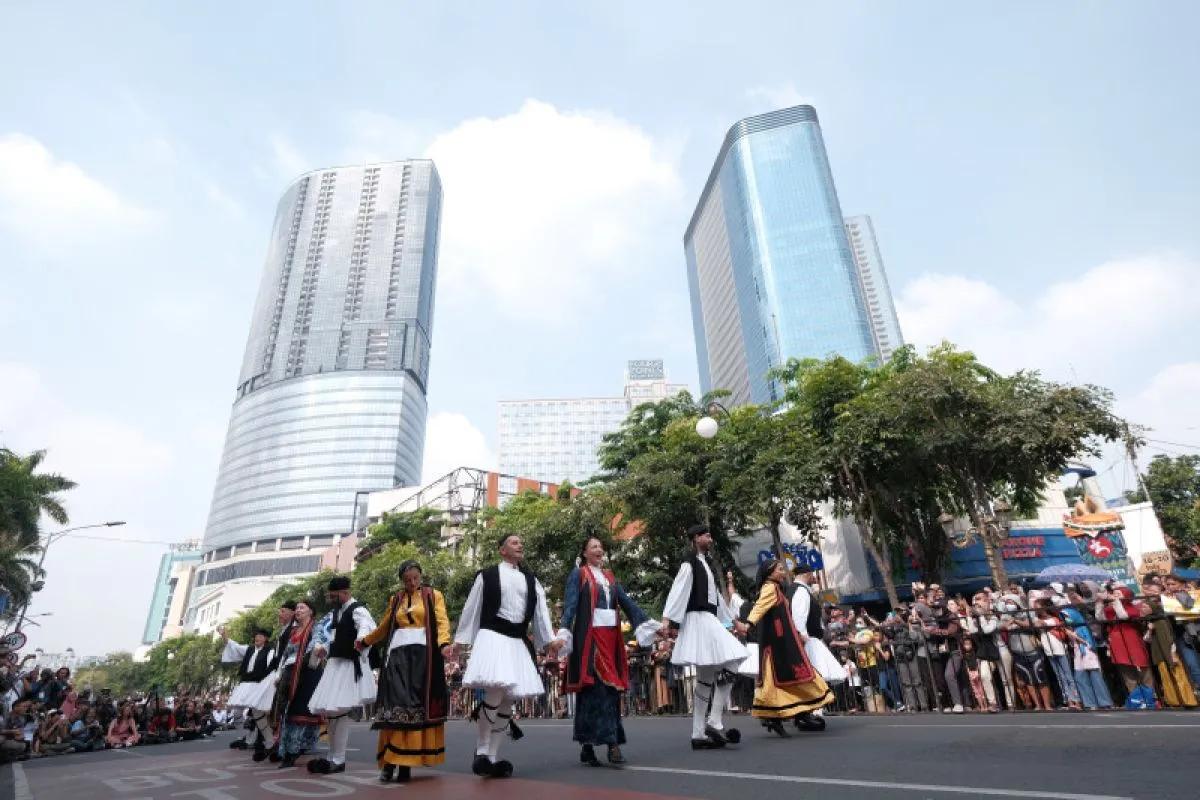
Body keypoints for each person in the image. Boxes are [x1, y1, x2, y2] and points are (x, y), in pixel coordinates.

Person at [455, 533, 560, 779]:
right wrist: (460, 642)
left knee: (508, 700)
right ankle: (481, 750)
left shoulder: (531, 580)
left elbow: (541, 614)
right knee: (496, 691)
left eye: (521, 542)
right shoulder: (487, 575)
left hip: (517, 641)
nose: (520, 545)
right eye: (514, 542)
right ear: (502, 550)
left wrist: (550, 641)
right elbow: (472, 608)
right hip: (493, 636)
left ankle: (491, 757)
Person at [553, 536, 652, 767]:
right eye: (594, 546)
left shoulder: (609, 577)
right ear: (585, 552)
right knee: (595, 691)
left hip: (611, 640)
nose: (599, 549)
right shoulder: (579, 574)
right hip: (590, 640)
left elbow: (628, 603)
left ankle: (595, 744)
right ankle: (609, 745)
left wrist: (648, 624)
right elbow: (570, 606)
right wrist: (564, 632)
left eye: (600, 546)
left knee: (609, 693)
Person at [358, 559, 454, 784]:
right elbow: (384, 626)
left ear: (420, 577)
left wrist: (444, 643)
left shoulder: (433, 595)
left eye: (415, 578)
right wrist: (365, 641)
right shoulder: (396, 599)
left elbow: (441, 621)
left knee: (414, 708)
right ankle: (390, 763)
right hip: (397, 657)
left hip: (423, 658)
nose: (412, 583)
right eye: (407, 579)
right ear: (402, 580)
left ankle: (404, 765)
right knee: (394, 707)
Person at [660, 523, 749, 750]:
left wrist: (733, 622)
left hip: (708, 620)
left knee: (707, 677)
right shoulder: (689, 563)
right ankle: (714, 721)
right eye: (706, 535)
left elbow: (717, 598)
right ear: (695, 538)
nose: (710, 539)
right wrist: (667, 620)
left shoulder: (705, 564)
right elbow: (678, 590)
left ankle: (699, 733)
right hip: (699, 620)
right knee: (733, 659)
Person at [741, 558, 832, 736]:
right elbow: (759, 608)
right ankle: (781, 716)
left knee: (786, 678)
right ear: (771, 573)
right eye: (781, 569)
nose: (784, 572)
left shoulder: (777, 589)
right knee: (788, 676)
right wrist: (748, 625)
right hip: (777, 644)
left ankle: (791, 715)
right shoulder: (770, 588)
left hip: (782, 641)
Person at [307, 576, 377, 775]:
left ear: (345, 592)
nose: (331, 598)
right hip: (336, 665)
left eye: (334, 595)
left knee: (339, 713)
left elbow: (367, 627)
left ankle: (338, 759)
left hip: (348, 667)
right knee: (332, 714)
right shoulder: (338, 612)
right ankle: (332, 757)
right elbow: (338, 639)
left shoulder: (358, 609)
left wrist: (361, 640)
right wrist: (325, 650)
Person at [276, 599, 329, 769]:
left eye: (302, 608)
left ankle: (295, 751)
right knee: (289, 711)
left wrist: (310, 654)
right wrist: (279, 672)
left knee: (302, 711)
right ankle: (287, 749)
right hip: (291, 672)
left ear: (310, 612)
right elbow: (285, 654)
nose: (298, 610)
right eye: (297, 608)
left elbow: (317, 643)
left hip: (309, 671)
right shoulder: (293, 631)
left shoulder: (316, 627)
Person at [221, 627, 276, 757]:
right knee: (237, 711)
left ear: (265, 639)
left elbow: (272, 669)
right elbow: (233, 646)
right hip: (246, 683)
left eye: (260, 636)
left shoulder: (270, 651)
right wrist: (224, 636)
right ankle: (246, 736)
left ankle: (269, 741)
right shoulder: (249, 649)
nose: (257, 638)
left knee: (258, 713)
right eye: (256, 635)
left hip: (259, 683)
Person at [1096, 586, 1155, 704]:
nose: (1115, 596)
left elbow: (1123, 615)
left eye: (1119, 594)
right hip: (1118, 643)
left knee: (1143, 668)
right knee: (1126, 671)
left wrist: (1116, 602)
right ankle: (1137, 699)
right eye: (1114, 594)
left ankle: (1151, 696)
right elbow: (1099, 617)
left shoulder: (1133, 608)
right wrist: (1100, 603)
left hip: (1132, 641)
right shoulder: (1110, 609)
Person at [1061, 587, 1114, 710]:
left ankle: (1104, 702)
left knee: (1094, 672)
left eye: (1074, 596)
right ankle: (1090, 703)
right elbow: (1067, 622)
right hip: (1076, 645)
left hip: (1087, 641)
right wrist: (1069, 632)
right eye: (1070, 597)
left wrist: (1081, 602)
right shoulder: (1067, 610)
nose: (1072, 599)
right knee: (1080, 675)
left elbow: (1095, 615)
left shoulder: (1086, 608)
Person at [1160, 573, 1200, 691]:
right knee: (1192, 665)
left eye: (1173, 584)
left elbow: (1189, 604)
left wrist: (1179, 594)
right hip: (1181, 636)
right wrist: (1165, 599)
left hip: (1195, 632)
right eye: (1168, 584)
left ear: (1182, 584)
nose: (1171, 586)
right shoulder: (1165, 597)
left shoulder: (1192, 593)